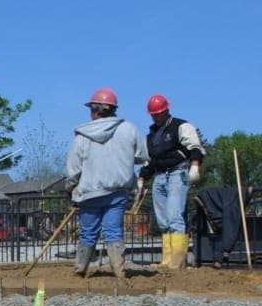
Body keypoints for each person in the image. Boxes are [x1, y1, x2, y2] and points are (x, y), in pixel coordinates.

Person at [64, 87, 147, 277]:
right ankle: (119, 271)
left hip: (90, 192)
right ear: (113, 109)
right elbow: (141, 156)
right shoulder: (129, 129)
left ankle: (80, 270)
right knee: (113, 231)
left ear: (94, 110)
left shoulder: (83, 135)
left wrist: (70, 188)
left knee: (88, 232)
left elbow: (74, 168)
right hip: (118, 191)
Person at [143, 94, 205, 270]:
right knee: (163, 221)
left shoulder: (181, 127)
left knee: (174, 216)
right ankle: (167, 260)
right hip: (159, 176)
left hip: (177, 174)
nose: (156, 117)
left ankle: (178, 261)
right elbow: (150, 160)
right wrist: (142, 177)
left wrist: (195, 166)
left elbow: (194, 147)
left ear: (166, 110)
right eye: (153, 114)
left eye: (158, 113)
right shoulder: (152, 135)